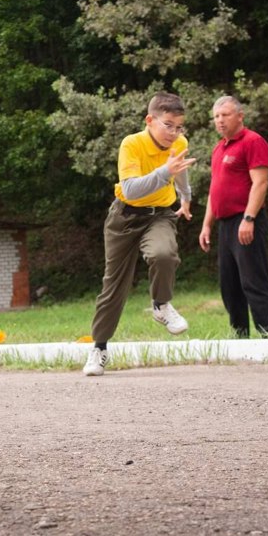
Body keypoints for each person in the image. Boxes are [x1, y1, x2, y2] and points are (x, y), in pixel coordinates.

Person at [83, 92, 196, 377]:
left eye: (179, 126)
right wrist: (164, 170)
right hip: (124, 217)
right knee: (114, 286)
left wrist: (185, 196)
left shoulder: (179, 143)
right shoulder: (131, 144)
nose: (174, 133)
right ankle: (99, 348)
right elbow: (132, 190)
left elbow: (179, 171)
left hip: (159, 215)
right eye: (168, 125)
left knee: (163, 253)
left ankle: (161, 304)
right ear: (150, 120)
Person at [199, 95, 268, 338]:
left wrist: (249, 219)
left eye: (225, 115)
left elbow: (261, 183)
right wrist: (206, 226)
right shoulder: (219, 148)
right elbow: (215, 190)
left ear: (240, 116)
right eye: (216, 116)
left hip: (245, 221)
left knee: (253, 281)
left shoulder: (253, 141)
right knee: (230, 286)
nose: (220, 121)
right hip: (224, 225)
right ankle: (240, 337)